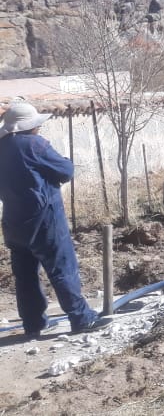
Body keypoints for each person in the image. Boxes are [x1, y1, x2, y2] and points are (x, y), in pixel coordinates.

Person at [0, 101, 107, 338]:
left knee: (25, 276)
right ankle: (82, 318)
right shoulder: (34, 144)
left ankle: (33, 324)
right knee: (62, 268)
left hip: (13, 223)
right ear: (29, 126)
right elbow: (65, 171)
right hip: (44, 220)